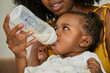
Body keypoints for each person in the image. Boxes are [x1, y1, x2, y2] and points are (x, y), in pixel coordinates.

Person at [3, 0, 110, 72]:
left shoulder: (87, 59)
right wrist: (20, 57)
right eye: (56, 28)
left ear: (85, 41)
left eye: (65, 28)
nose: (56, 32)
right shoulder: (44, 33)